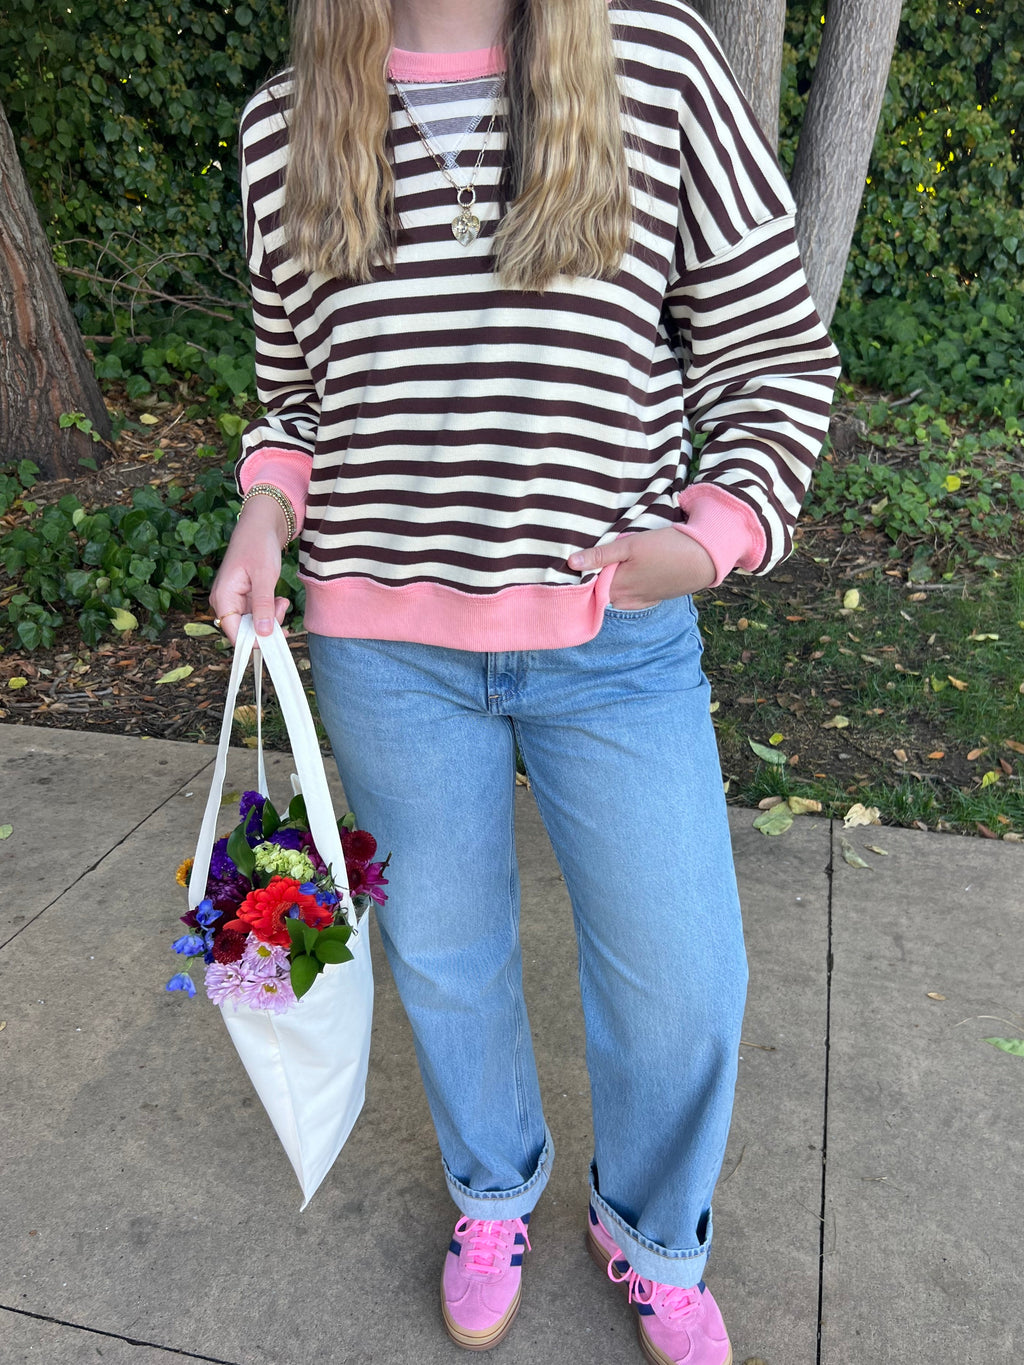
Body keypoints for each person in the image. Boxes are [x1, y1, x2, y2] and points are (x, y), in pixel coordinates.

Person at [211, 1, 840, 1359]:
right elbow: (293, 401)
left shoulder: (651, 63)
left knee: (686, 978)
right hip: (385, 649)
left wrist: (715, 533)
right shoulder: (285, 123)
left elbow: (776, 355)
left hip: (612, 644)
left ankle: (650, 1230)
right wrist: (264, 515)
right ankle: (493, 1188)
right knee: (446, 958)